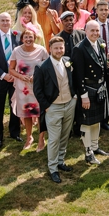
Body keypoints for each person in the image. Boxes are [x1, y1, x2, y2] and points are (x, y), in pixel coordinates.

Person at [34, 36, 78, 183]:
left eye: (61, 47)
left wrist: (75, 97)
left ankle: (60, 161)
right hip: (53, 107)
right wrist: (47, 106)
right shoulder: (42, 67)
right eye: (56, 48)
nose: (59, 50)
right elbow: (37, 90)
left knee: (65, 135)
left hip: (69, 104)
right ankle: (53, 168)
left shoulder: (67, 61)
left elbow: (74, 80)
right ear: (50, 49)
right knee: (54, 139)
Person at [73, 21, 109, 165]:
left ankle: (95, 147)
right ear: (85, 31)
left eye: (97, 30)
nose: (95, 33)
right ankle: (88, 152)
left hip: (100, 88)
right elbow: (78, 75)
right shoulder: (80, 48)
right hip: (88, 90)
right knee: (86, 122)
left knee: (97, 120)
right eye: (92, 31)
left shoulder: (101, 42)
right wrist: (84, 96)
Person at [8, 27, 48, 150]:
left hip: (38, 87)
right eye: (26, 37)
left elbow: (47, 67)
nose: (28, 39)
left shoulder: (41, 50)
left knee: (40, 113)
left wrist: (36, 76)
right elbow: (11, 69)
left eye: (31, 36)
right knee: (27, 113)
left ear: (34, 38)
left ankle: (41, 139)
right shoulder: (16, 51)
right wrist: (20, 76)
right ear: (22, 39)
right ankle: (29, 137)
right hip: (23, 88)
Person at [0, 13, 22, 149]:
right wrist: (3, 75)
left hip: (15, 78)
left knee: (15, 107)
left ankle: (15, 132)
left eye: (7, 20)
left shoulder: (17, 36)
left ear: (11, 21)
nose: (5, 23)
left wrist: (15, 74)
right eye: (2, 20)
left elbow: (21, 56)